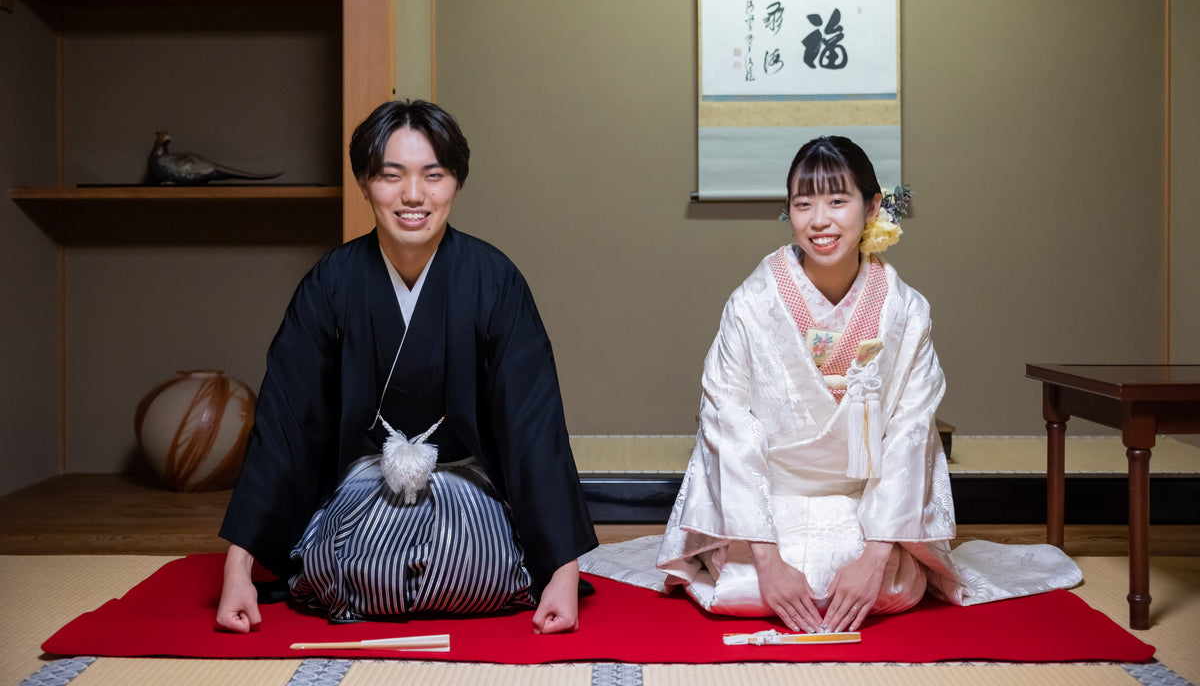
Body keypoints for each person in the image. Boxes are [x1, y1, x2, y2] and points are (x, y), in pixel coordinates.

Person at [581, 135, 1079, 632]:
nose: (819, 220)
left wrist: (875, 556)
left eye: (838, 201)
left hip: (863, 506)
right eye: (803, 204)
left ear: (872, 206)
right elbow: (727, 423)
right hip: (767, 504)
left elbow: (910, 433)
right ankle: (764, 564)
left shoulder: (906, 311)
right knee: (748, 589)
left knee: (882, 585)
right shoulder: (753, 303)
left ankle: (865, 563)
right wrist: (769, 560)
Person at [216, 99, 597, 635]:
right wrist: (240, 568)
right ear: (365, 183)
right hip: (365, 484)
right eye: (391, 176)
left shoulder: (494, 280)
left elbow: (532, 423)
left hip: (467, 485)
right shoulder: (332, 284)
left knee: (473, 562)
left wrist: (561, 569)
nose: (413, 196)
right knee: (343, 562)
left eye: (433, 176)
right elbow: (286, 423)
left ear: (456, 183)